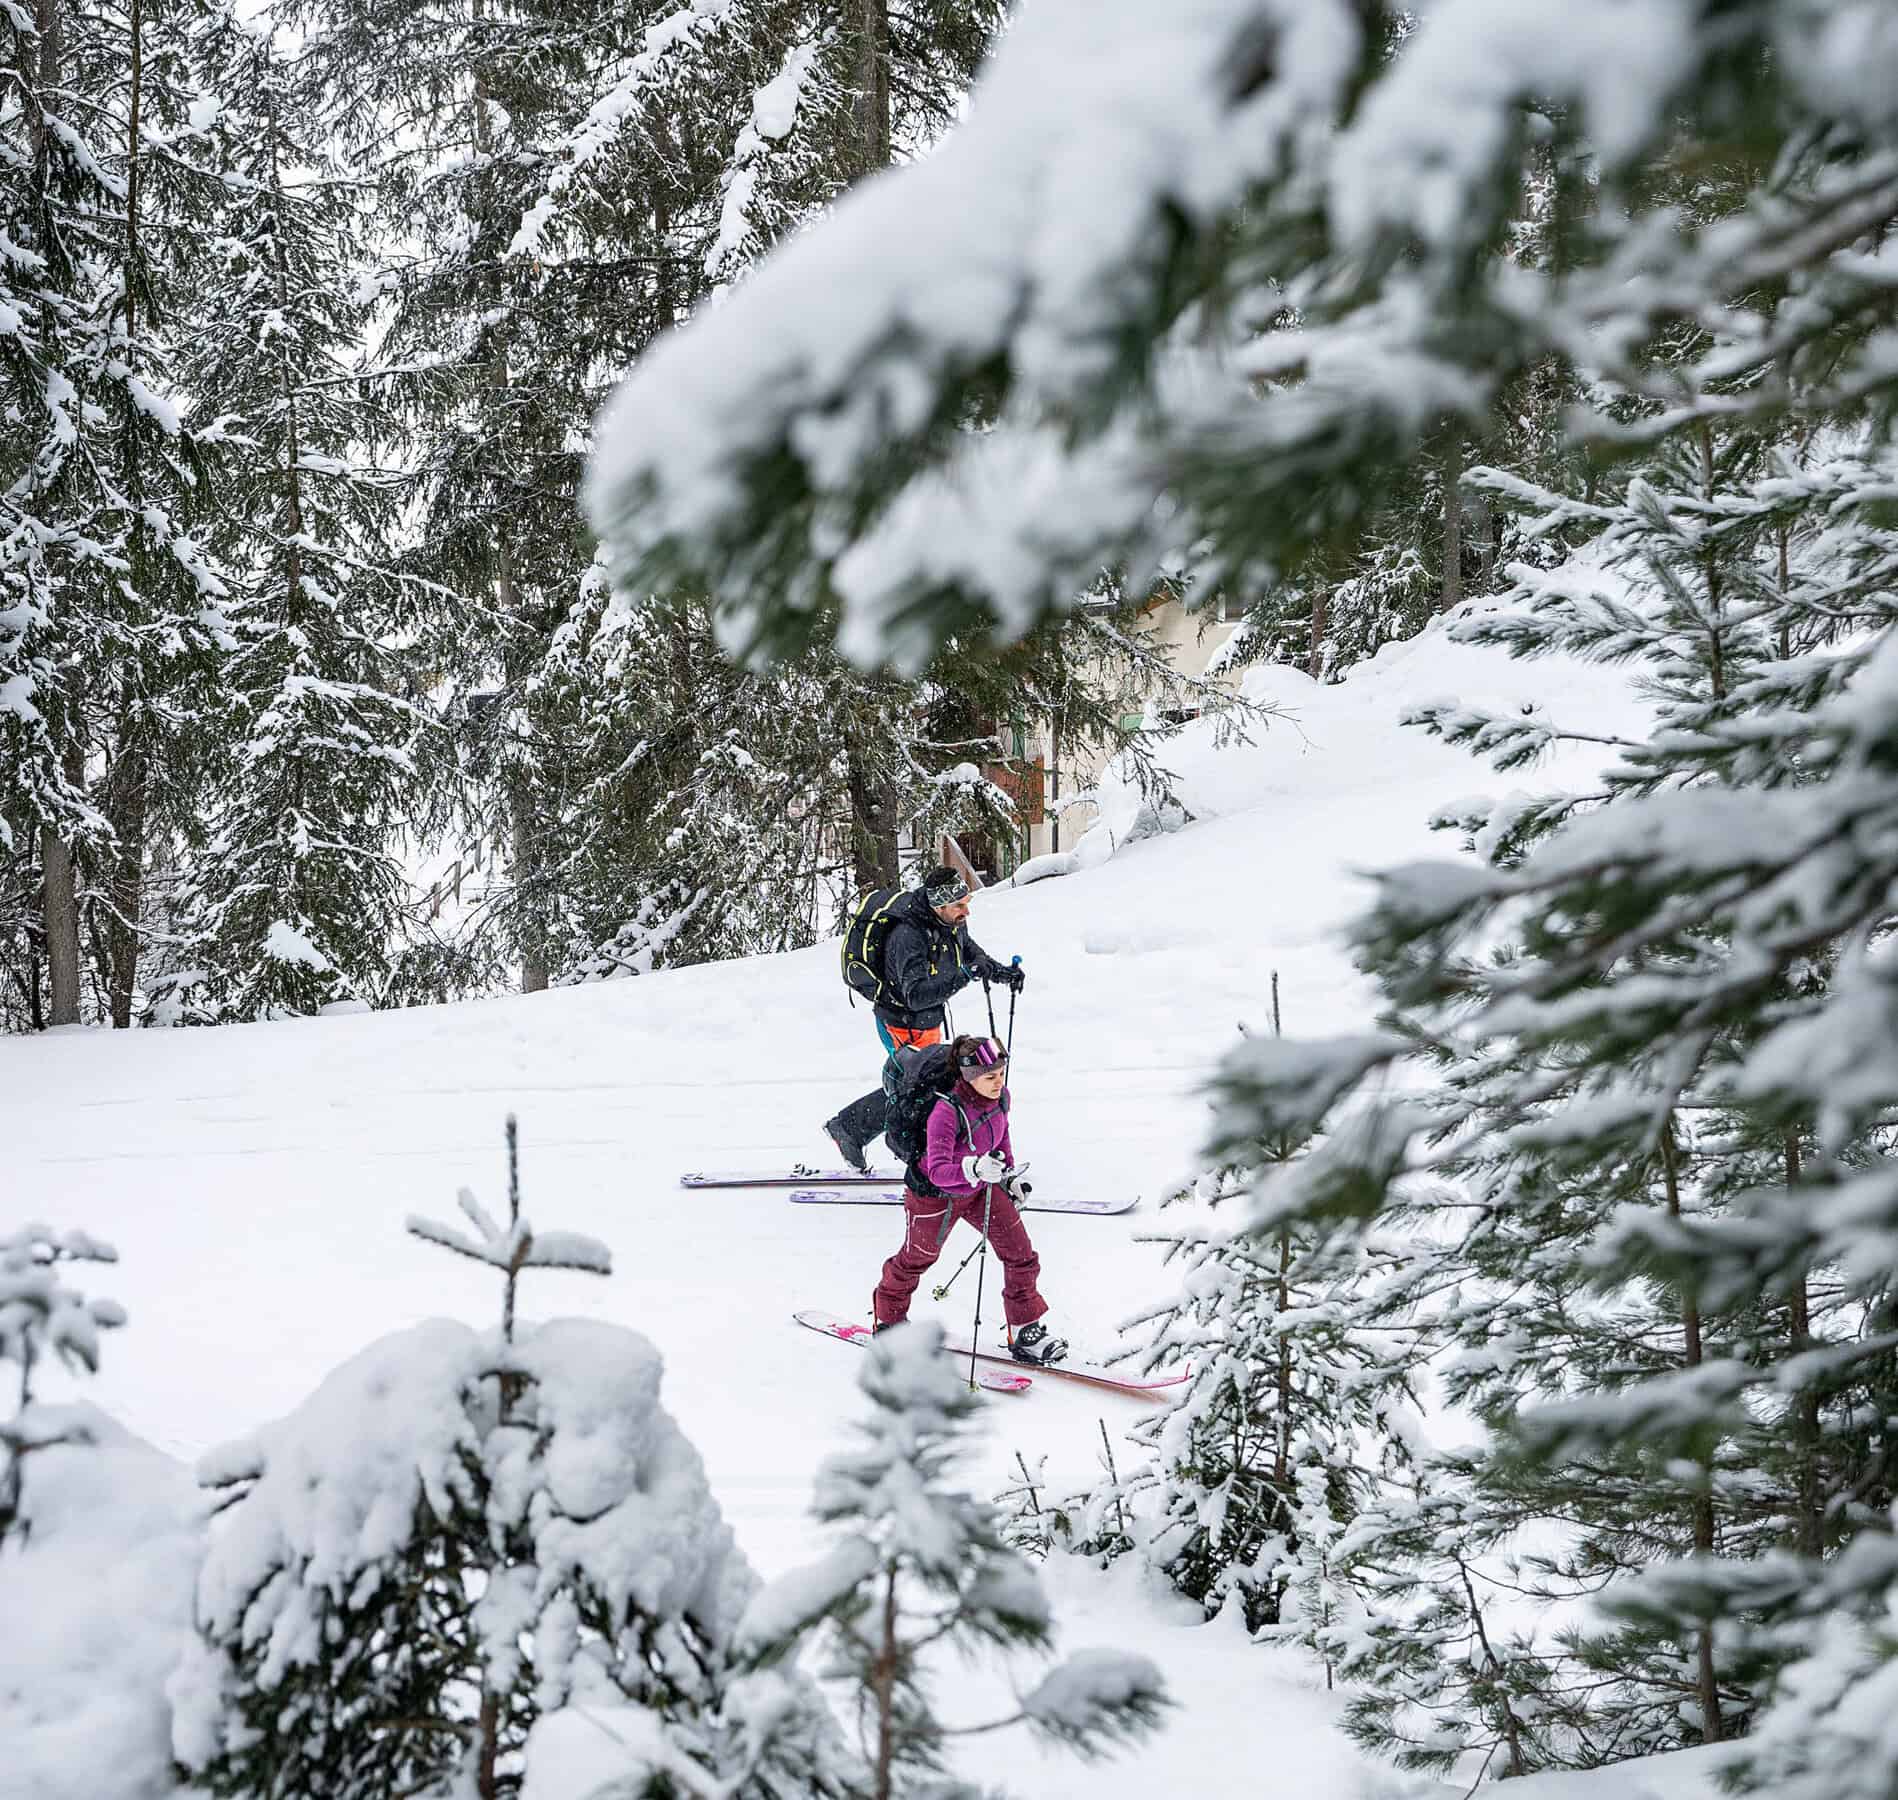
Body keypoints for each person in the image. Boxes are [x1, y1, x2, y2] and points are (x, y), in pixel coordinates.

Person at [870, 1035, 1067, 1364]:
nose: (998, 1082)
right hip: (934, 1197)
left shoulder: (1000, 1098)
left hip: (979, 1190)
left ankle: (1025, 1330)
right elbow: (937, 1170)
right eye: (989, 1077)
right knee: (915, 1260)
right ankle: (889, 1322)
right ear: (968, 1076)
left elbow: (1001, 1136)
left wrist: (1008, 1177)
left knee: (1021, 1254)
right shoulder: (946, 1112)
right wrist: (974, 1167)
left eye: (1001, 1074)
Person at [824, 864, 1024, 1171]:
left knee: (920, 1084)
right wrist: (964, 975)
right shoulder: (908, 936)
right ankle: (903, 1149)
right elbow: (915, 996)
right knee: (915, 1089)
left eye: (966, 903)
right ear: (939, 906)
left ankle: (850, 1128)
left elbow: (972, 954)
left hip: (929, 1021)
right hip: (899, 1021)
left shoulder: (951, 922)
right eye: (959, 905)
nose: (966, 911)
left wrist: (1002, 974)